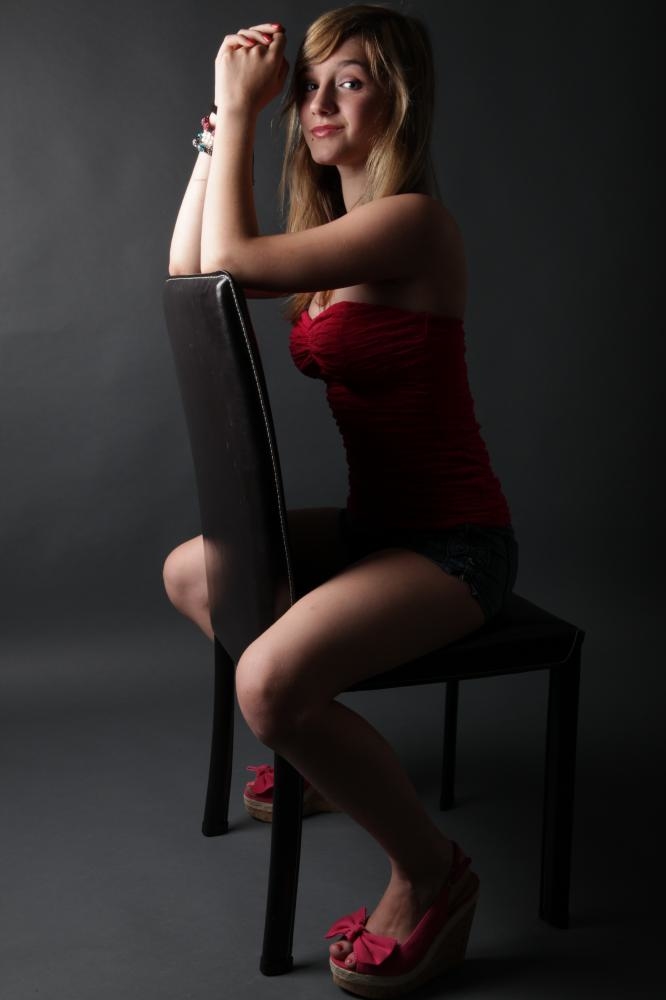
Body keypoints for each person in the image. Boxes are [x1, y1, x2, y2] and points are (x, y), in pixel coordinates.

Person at [164, 5, 518, 996]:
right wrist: (214, 134)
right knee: (192, 572)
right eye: (309, 85)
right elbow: (193, 275)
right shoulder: (335, 236)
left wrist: (246, 110)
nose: (318, 102)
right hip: (378, 530)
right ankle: (324, 755)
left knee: (268, 683)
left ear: (396, 101)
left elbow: (229, 262)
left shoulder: (412, 223)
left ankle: (432, 872)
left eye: (348, 82)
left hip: (454, 547)